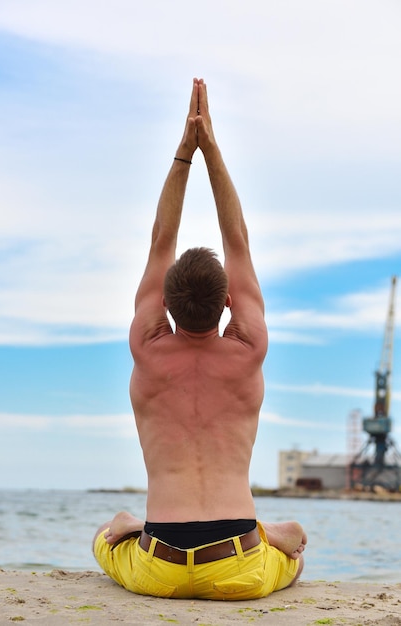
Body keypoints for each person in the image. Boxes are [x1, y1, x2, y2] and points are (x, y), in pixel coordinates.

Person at [93, 78, 306, 600]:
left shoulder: (146, 346)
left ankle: (130, 526)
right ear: (229, 302)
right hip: (237, 568)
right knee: (299, 552)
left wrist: (184, 154)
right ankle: (270, 534)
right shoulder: (248, 349)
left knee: (102, 540)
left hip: (159, 569)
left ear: (162, 304)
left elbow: (161, 238)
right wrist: (212, 149)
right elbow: (238, 239)